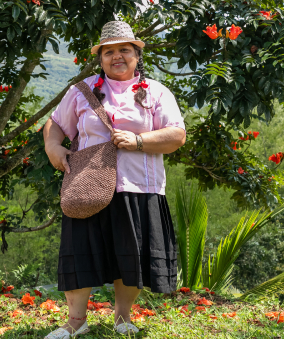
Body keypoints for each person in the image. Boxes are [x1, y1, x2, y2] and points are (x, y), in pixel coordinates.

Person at [43, 21, 186, 339]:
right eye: (109, 51)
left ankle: (123, 318)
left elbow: (176, 135)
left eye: (124, 50)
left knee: (130, 256)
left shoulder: (156, 92)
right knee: (81, 250)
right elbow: (55, 125)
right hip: (88, 185)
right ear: (101, 58)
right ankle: (75, 322)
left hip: (140, 187)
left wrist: (137, 141)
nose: (117, 56)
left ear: (137, 55)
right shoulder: (81, 91)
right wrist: (54, 148)